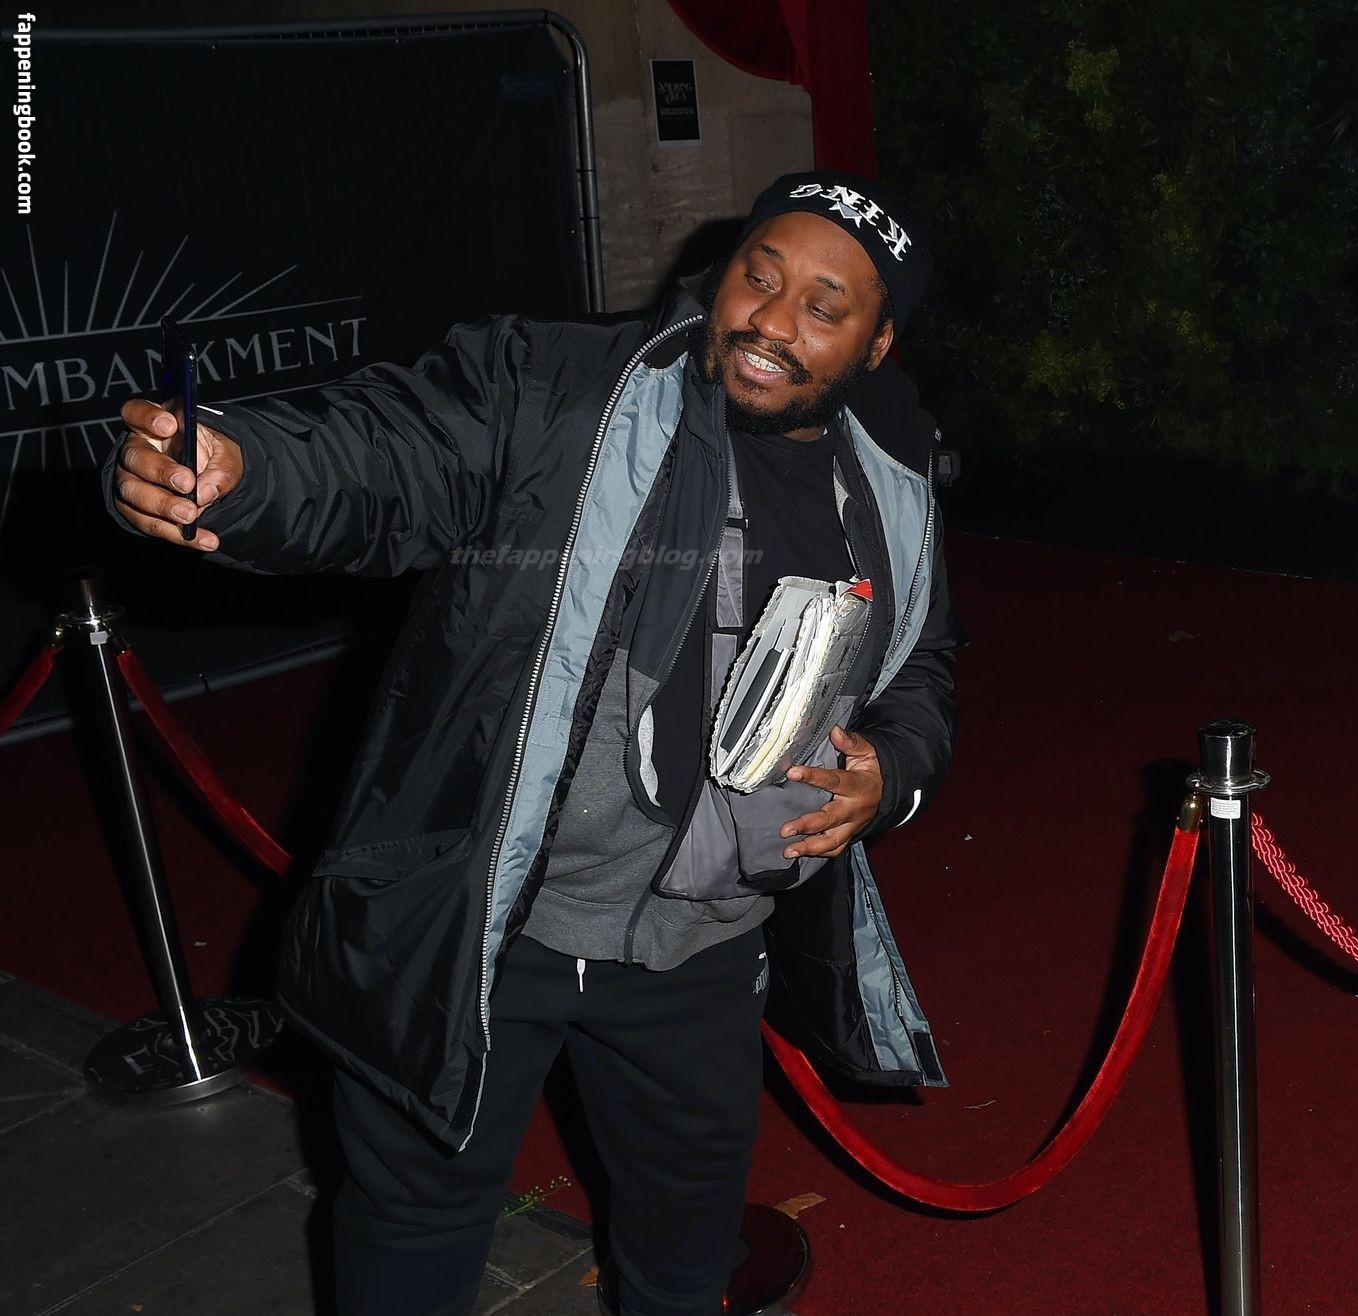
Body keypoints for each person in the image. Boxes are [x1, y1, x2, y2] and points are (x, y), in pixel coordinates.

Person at [106, 171, 960, 1316]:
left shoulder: (888, 476)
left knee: (685, 1251)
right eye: (759, 275)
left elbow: (922, 663)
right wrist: (246, 473)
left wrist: (892, 770)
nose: (770, 320)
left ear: (878, 343)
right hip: (489, 916)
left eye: (823, 305)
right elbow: (390, 451)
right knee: (411, 1231)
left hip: (700, 943)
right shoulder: (566, 389)